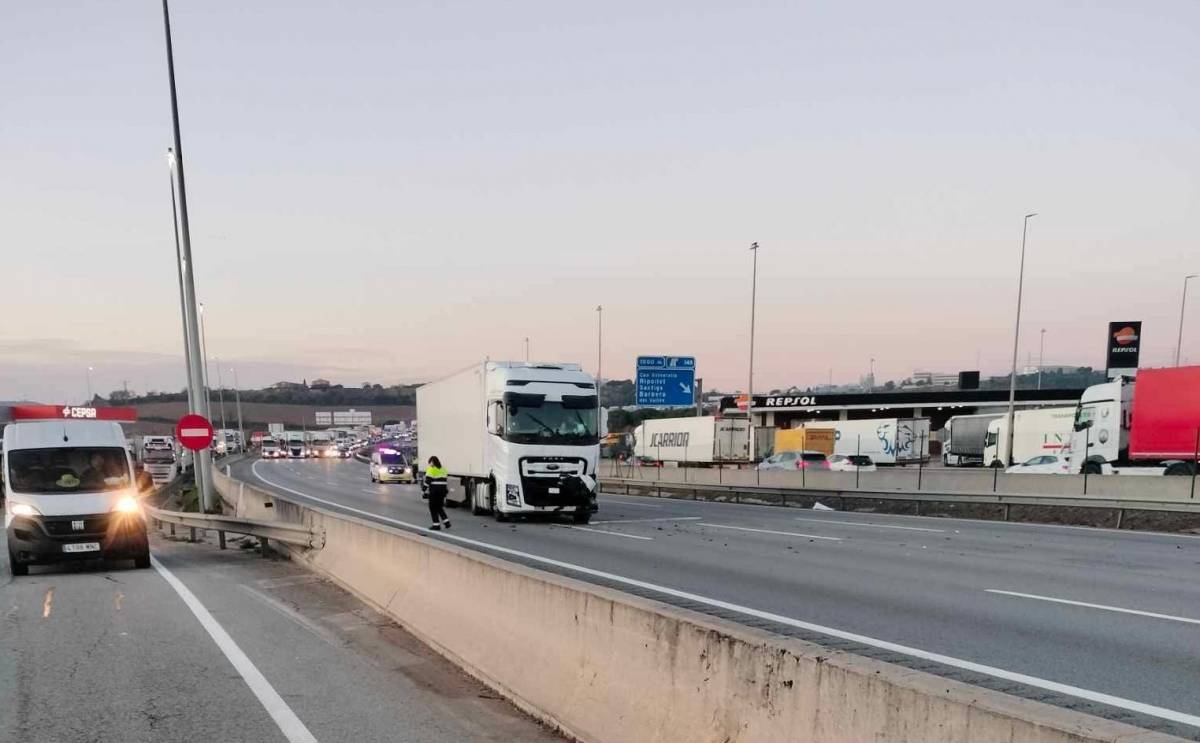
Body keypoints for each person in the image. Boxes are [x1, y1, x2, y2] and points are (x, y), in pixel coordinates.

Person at [423, 456, 450, 531]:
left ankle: (436, 525)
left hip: (435, 491)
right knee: (439, 507)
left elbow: (428, 481)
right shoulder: (443, 469)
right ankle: (446, 522)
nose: (429, 464)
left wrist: (423, 490)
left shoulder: (431, 469)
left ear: (432, 462)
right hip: (442, 491)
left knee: (432, 507)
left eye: (430, 462)